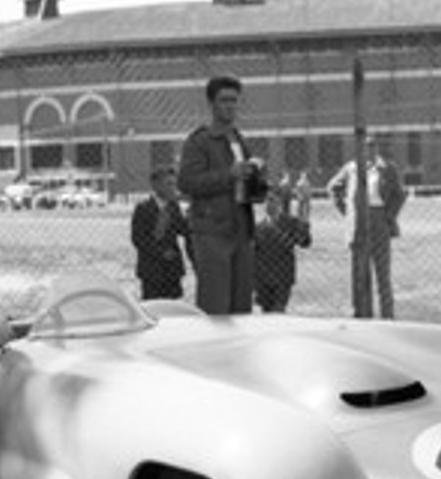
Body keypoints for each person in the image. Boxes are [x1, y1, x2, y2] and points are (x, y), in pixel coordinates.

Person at [177, 74, 263, 314]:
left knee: (241, 305)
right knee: (215, 305)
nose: (231, 106)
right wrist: (229, 174)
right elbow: (186, 182)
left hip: (241, 229)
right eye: (225, 100)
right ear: (211, 104)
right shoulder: (199, 141)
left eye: (235, 100)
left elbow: (242, 183)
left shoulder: (239, 140)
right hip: (212, 232)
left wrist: (258, 182)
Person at [326, 133, 405, 319]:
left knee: (382, 273)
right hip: (358, 222)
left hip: (380, 220)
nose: (369, 149)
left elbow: (399, 194)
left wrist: (389, 216)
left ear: (377, 148)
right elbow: (332, 187)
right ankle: (361, 314)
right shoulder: (351, 168)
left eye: (372, 146)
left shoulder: (387, 168)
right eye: (365, 146)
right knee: (360, 273)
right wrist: (347, 212)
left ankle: (388, 315)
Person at [130, 166, 190, 300]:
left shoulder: (173, 206)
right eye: (168, 184)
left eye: (174, 184)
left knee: (174, 305)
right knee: (153, 306)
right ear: (155, 185)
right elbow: (138, 239)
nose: (172, 188)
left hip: (172, 268)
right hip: (151, 269)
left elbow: (182, 229)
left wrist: (191, 216)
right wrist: (161, 252)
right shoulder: (143, 208)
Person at [254, 190, 312, 312]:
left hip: (282, 278)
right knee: (265, 312)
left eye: (273, 200)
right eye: (266, 201)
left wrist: (304, 227)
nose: (268, 204)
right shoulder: (258, 228)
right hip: (262, 279)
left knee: (278, 311)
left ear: (280, 203)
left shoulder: (291, 223)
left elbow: (305, 242)